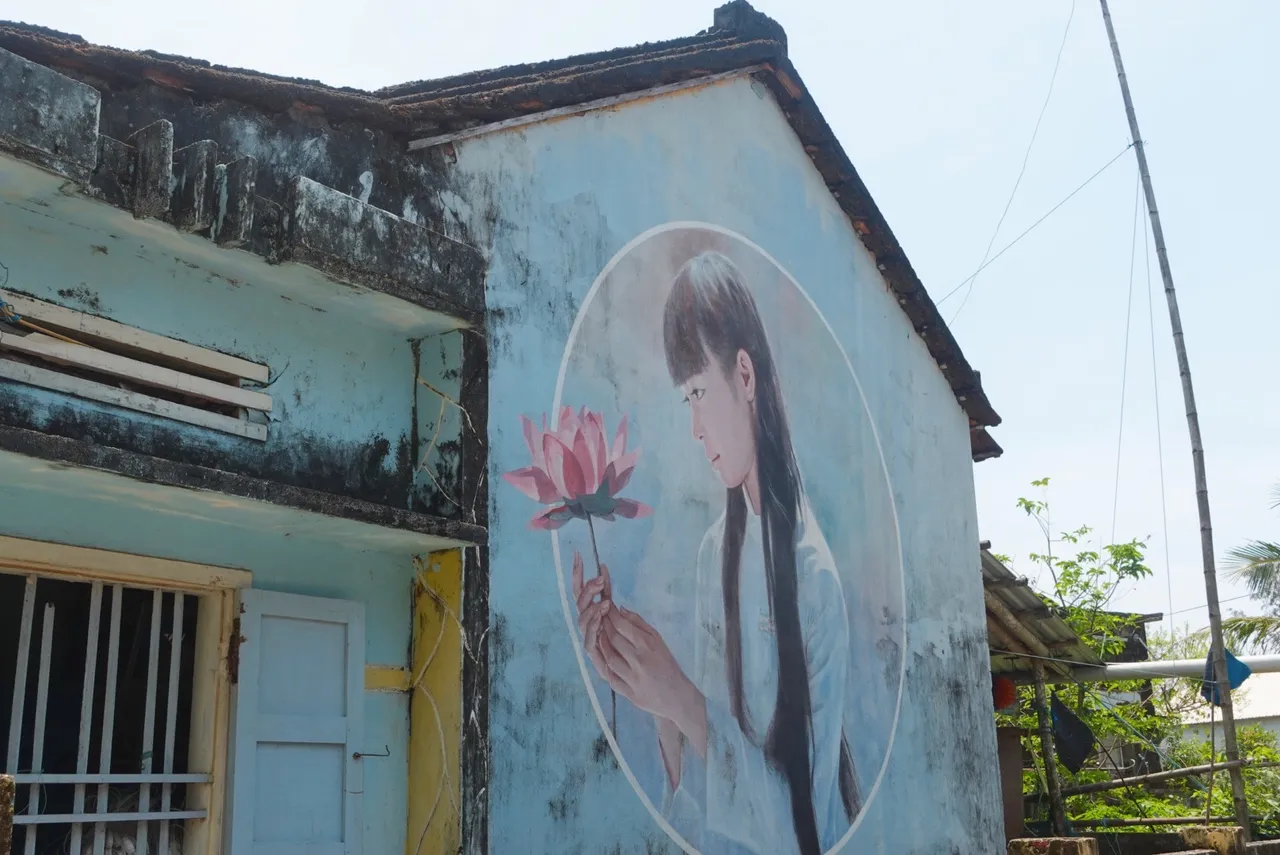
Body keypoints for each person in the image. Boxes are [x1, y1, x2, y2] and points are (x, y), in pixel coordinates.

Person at [572, 251, 860, 855]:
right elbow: (705, 797)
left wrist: (678, 696)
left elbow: (798, 826)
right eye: (687, 399)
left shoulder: (814, 578)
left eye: (700, 391)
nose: (695, 427)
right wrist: (644, 689)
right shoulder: (714, 554)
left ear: (746, 377)